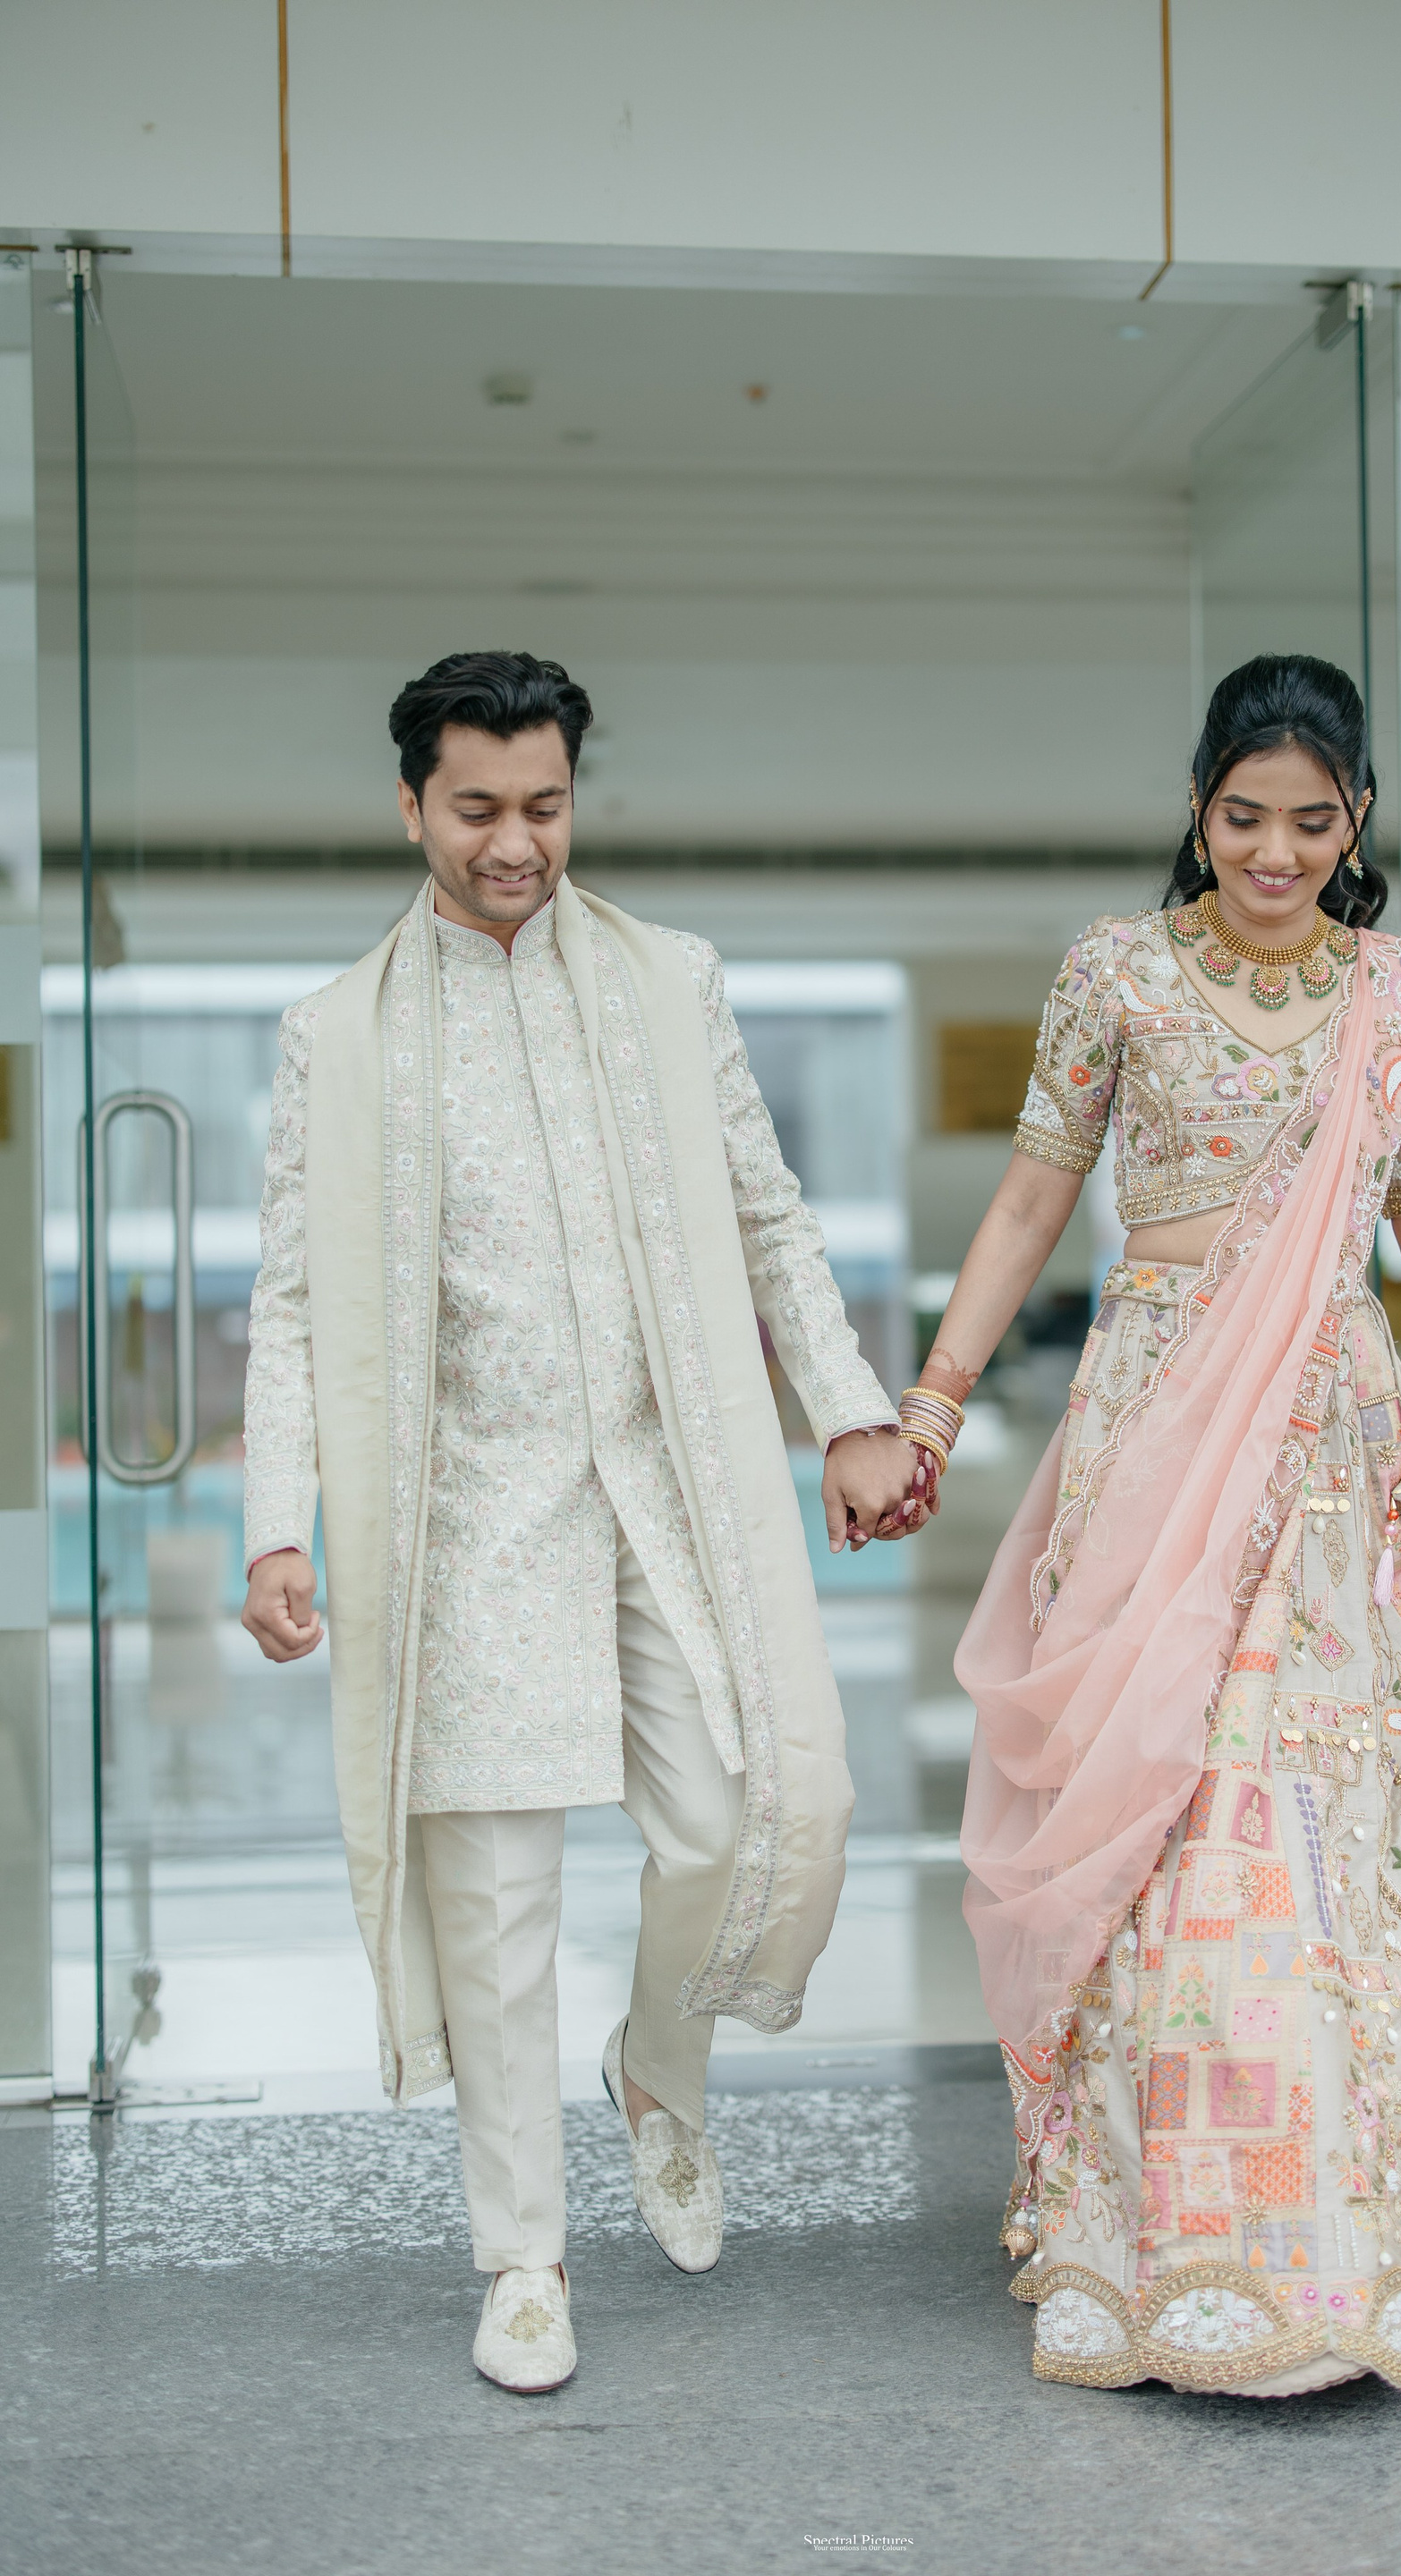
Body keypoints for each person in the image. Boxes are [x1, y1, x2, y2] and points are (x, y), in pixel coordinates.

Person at [896, 655, 1401, 2395]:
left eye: (1313, 821)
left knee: (1320, 1812)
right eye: (1245, 818)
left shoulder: (1398, 995)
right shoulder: (1117, 973)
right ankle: (1167, 2225)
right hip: (1155, 1429)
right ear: (1199, 807)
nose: (1277, 853)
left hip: (1333, 1445)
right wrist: (932, 1399)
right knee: (1164, 1808)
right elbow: (1030, 1202)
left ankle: (1350, 2225)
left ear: (1358, 818)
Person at [240, 651, 921, 2391]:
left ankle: (656, 2075)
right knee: (495, 1902)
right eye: (477, 808)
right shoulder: (336, 1036)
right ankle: (524, 2261)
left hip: (663, 1482)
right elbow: (295, 1305)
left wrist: (851, 1411)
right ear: (411, 807)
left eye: (544, 806)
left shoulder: (667, 980)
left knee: (743, 1819)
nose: (516, 842)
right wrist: (273, 1523)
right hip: (469, 1518)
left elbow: (770, 1215)